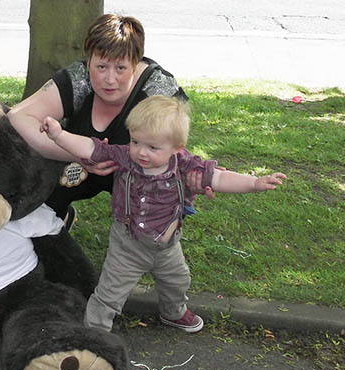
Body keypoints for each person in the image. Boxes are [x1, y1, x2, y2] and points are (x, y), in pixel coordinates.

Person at [40, 95, 286, 333]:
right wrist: (59, 134)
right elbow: (90, 148)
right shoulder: (126, 158)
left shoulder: (184, 164)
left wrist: (254, 183)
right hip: (128, 245)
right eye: (136, 142)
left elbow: (220, 177)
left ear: (177, 148)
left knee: (178, 282)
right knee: (108, 294)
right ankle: (95, 333)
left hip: (167, 246)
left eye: (153, 147)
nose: (141, 152)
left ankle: (173, 312)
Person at [7, 13, 189, 226]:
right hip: (78, 164)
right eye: (101, 67)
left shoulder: (158, 91)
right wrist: (77, 154)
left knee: (159, 209)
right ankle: (59, 217)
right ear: (89, 59)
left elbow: (173, 150)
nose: (110, 79)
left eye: (120, 68)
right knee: (36, 214)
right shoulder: (78, 78)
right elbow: (17, 116)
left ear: (135, 63)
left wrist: (198, 172)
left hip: (137, 170)